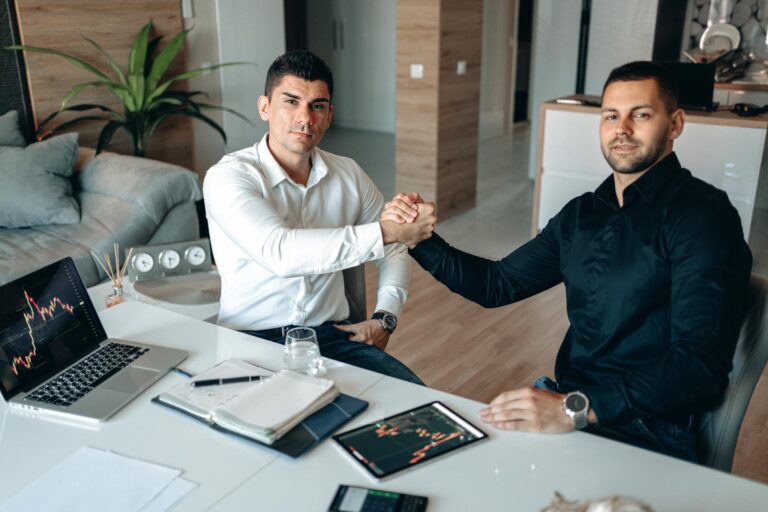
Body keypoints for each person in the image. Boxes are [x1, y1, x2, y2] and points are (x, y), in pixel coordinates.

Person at [380, 61, 752, 460]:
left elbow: (698, 365)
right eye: (611, 116)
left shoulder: (704, 216)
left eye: (640, 115)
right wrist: (418, 238)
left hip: (648, 430)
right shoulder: (582, 215)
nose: (621, 129)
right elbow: (496, 283)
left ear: (675, 123)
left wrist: (575, 409)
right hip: (569, 404)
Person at [203, 51, 434, 384]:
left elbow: (395, 250)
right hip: (250, 342)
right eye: (291, 102)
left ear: (329, 115)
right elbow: (280, 252)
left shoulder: (349, 174)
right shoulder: (229, 176)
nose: (305, 118)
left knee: (417, 406)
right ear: (264, 107)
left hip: (332, 338)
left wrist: (386, 317)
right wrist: (387, 231)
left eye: (317, 106)